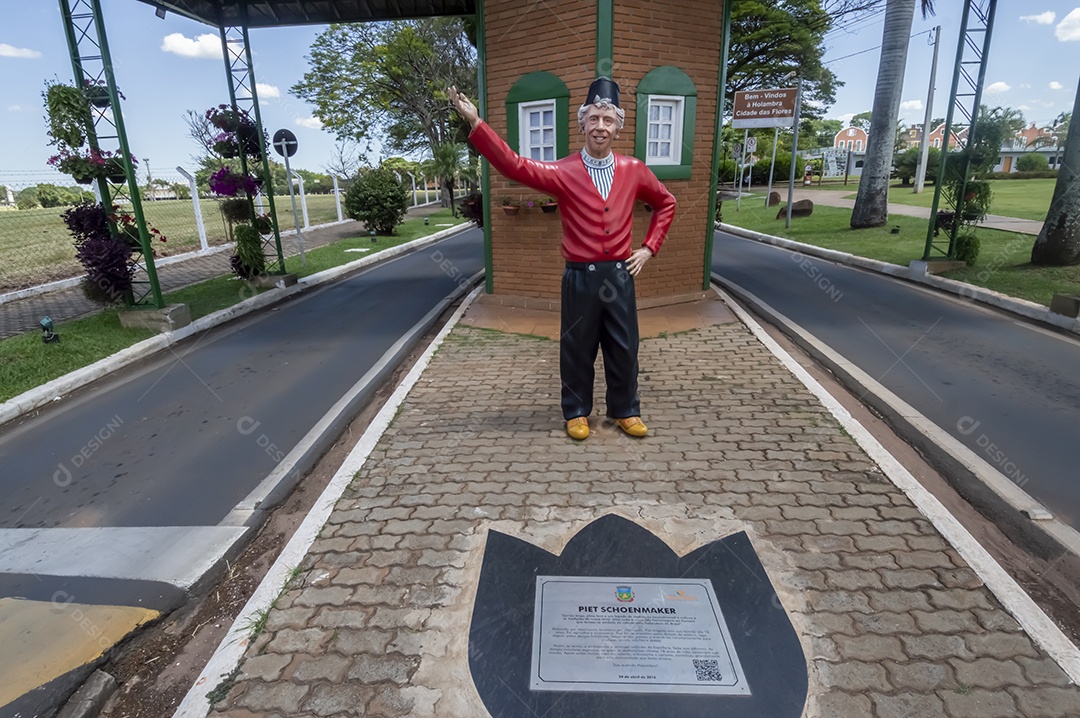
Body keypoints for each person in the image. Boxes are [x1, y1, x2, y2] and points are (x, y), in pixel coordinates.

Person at [448, 78, 676, 440]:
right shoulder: (564, 171)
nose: (600, 127)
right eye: (594, 119)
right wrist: (477, 123)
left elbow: (666, 202)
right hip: (580, 277)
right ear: (582, 123)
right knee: (577, 346)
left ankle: (625, 409)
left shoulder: (634, 169)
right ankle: (576, 411)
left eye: (608, 120)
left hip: (619, 276)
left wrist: (649, 248)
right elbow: (515, 166)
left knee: (624, 346)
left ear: (618, 127)